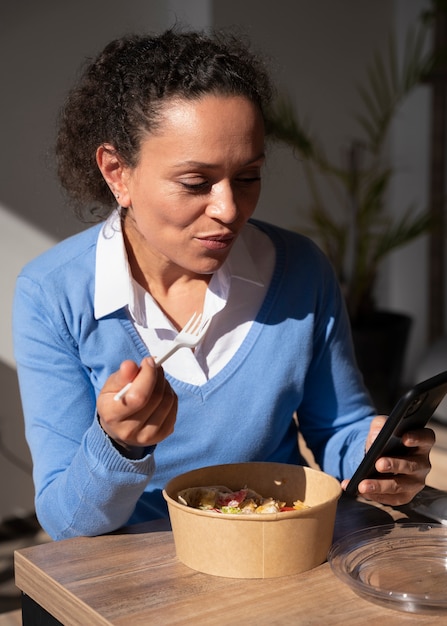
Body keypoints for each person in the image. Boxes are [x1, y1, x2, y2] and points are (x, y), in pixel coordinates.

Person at [13, 28, 434, 541]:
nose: (229, 210)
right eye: (196, 183)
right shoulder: (52, 295)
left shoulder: (300, 271)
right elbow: (66, 523)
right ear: (117, 171)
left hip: (276, 552)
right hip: (133, 579)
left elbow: (339, 430)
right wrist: (117, 446)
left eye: (249, 176)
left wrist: (379, 462)